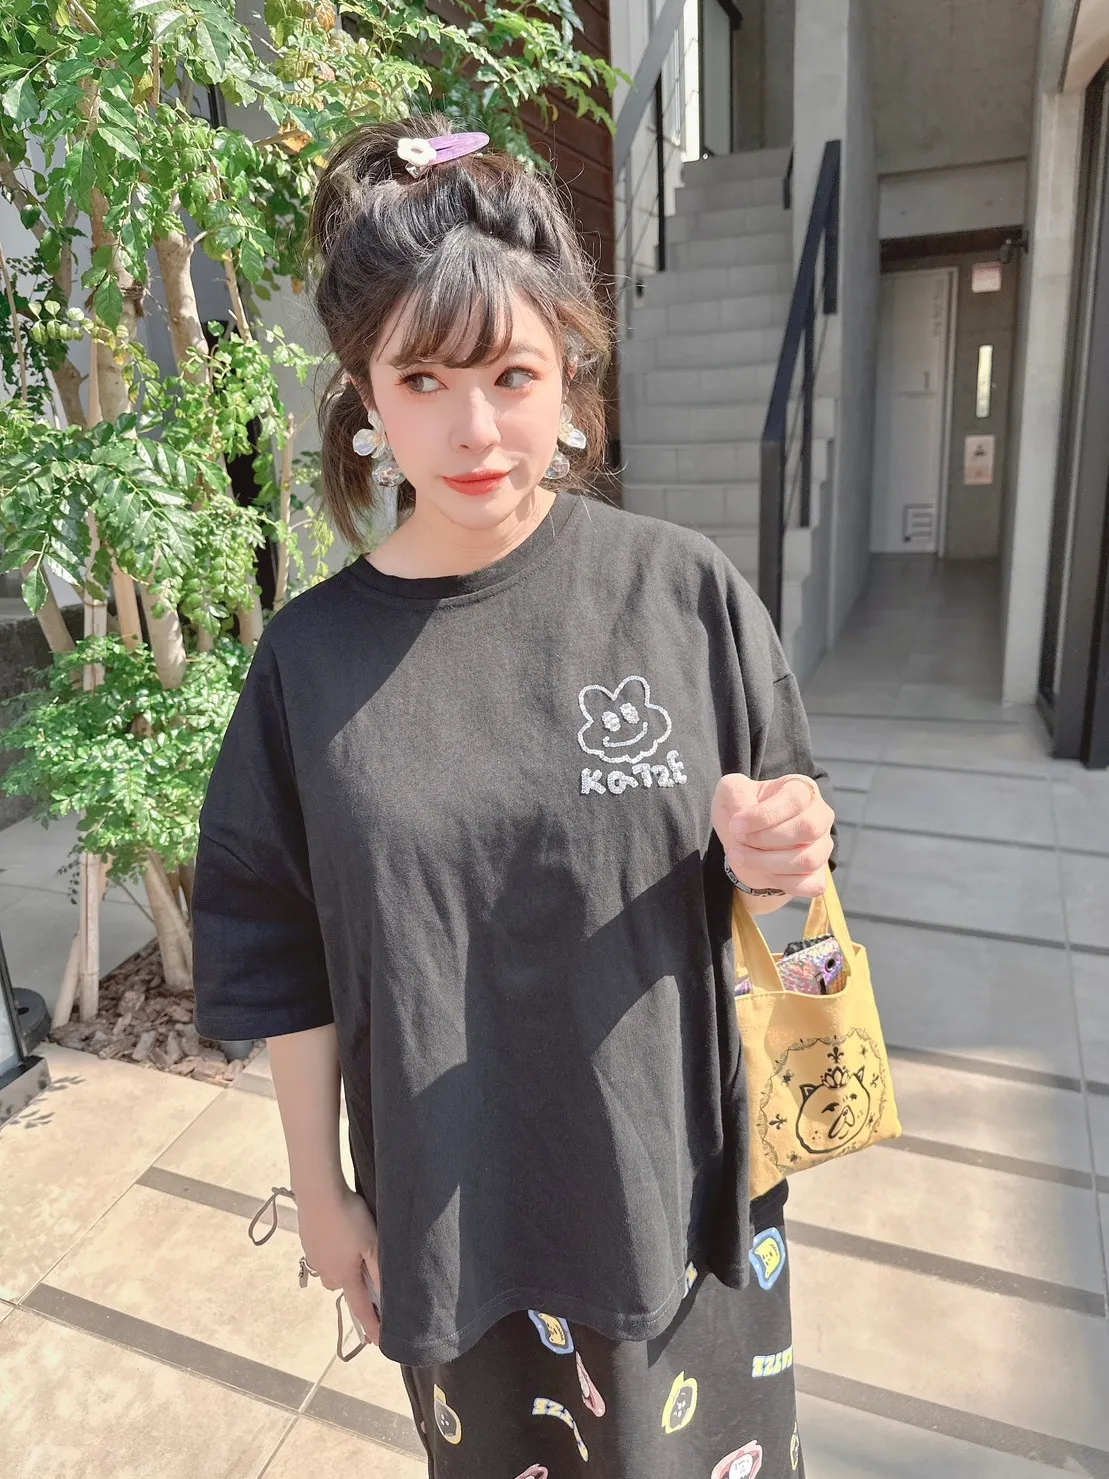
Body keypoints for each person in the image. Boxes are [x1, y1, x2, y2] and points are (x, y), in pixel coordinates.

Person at [192, 113, 838, 1479]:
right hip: (455, 1227)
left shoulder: (682, 593)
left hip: (677, 1212)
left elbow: (791, 882)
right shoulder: (309, 662)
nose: (474, 427)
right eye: (423, 376)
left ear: (572, 378)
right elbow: (277, 946)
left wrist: (782, 855)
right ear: (365, 396)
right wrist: (320, 1189)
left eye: (511, 373)